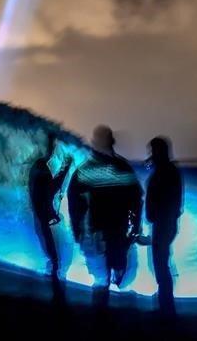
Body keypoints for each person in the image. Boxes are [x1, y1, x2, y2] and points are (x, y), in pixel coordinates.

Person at [67, 125, 142, 308]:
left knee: (102, 277)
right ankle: (113, 291)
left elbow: (74, 199)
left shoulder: (86, 169)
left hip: (98, 228)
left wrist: (77, 228)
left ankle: (102, 308)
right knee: (115, 266)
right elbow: (137, 198)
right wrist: (135, 225)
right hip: (117, 227)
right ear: (112, 143)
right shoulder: (123, 167)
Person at [145, 136, 183, 316]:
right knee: (162, 264)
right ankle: (166, 304)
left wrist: (166, 222)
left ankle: (166, 308)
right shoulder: (169, 170)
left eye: (153, 151)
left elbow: (170, 201)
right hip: (165, 224)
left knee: (161, 266)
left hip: (163, 224)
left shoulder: (165, 172)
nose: (151, 154)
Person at [28, 132, 73, 283]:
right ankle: (53, 272)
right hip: (41, 212)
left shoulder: (38, 166)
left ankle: (52, 270)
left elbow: (47, 191)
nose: (52, 152)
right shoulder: (41, 168)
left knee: (47, 243)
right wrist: (66, 167)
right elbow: (52, 188)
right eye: (51, 147)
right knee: (48, 244)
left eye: (53, 148)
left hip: (40, 211)